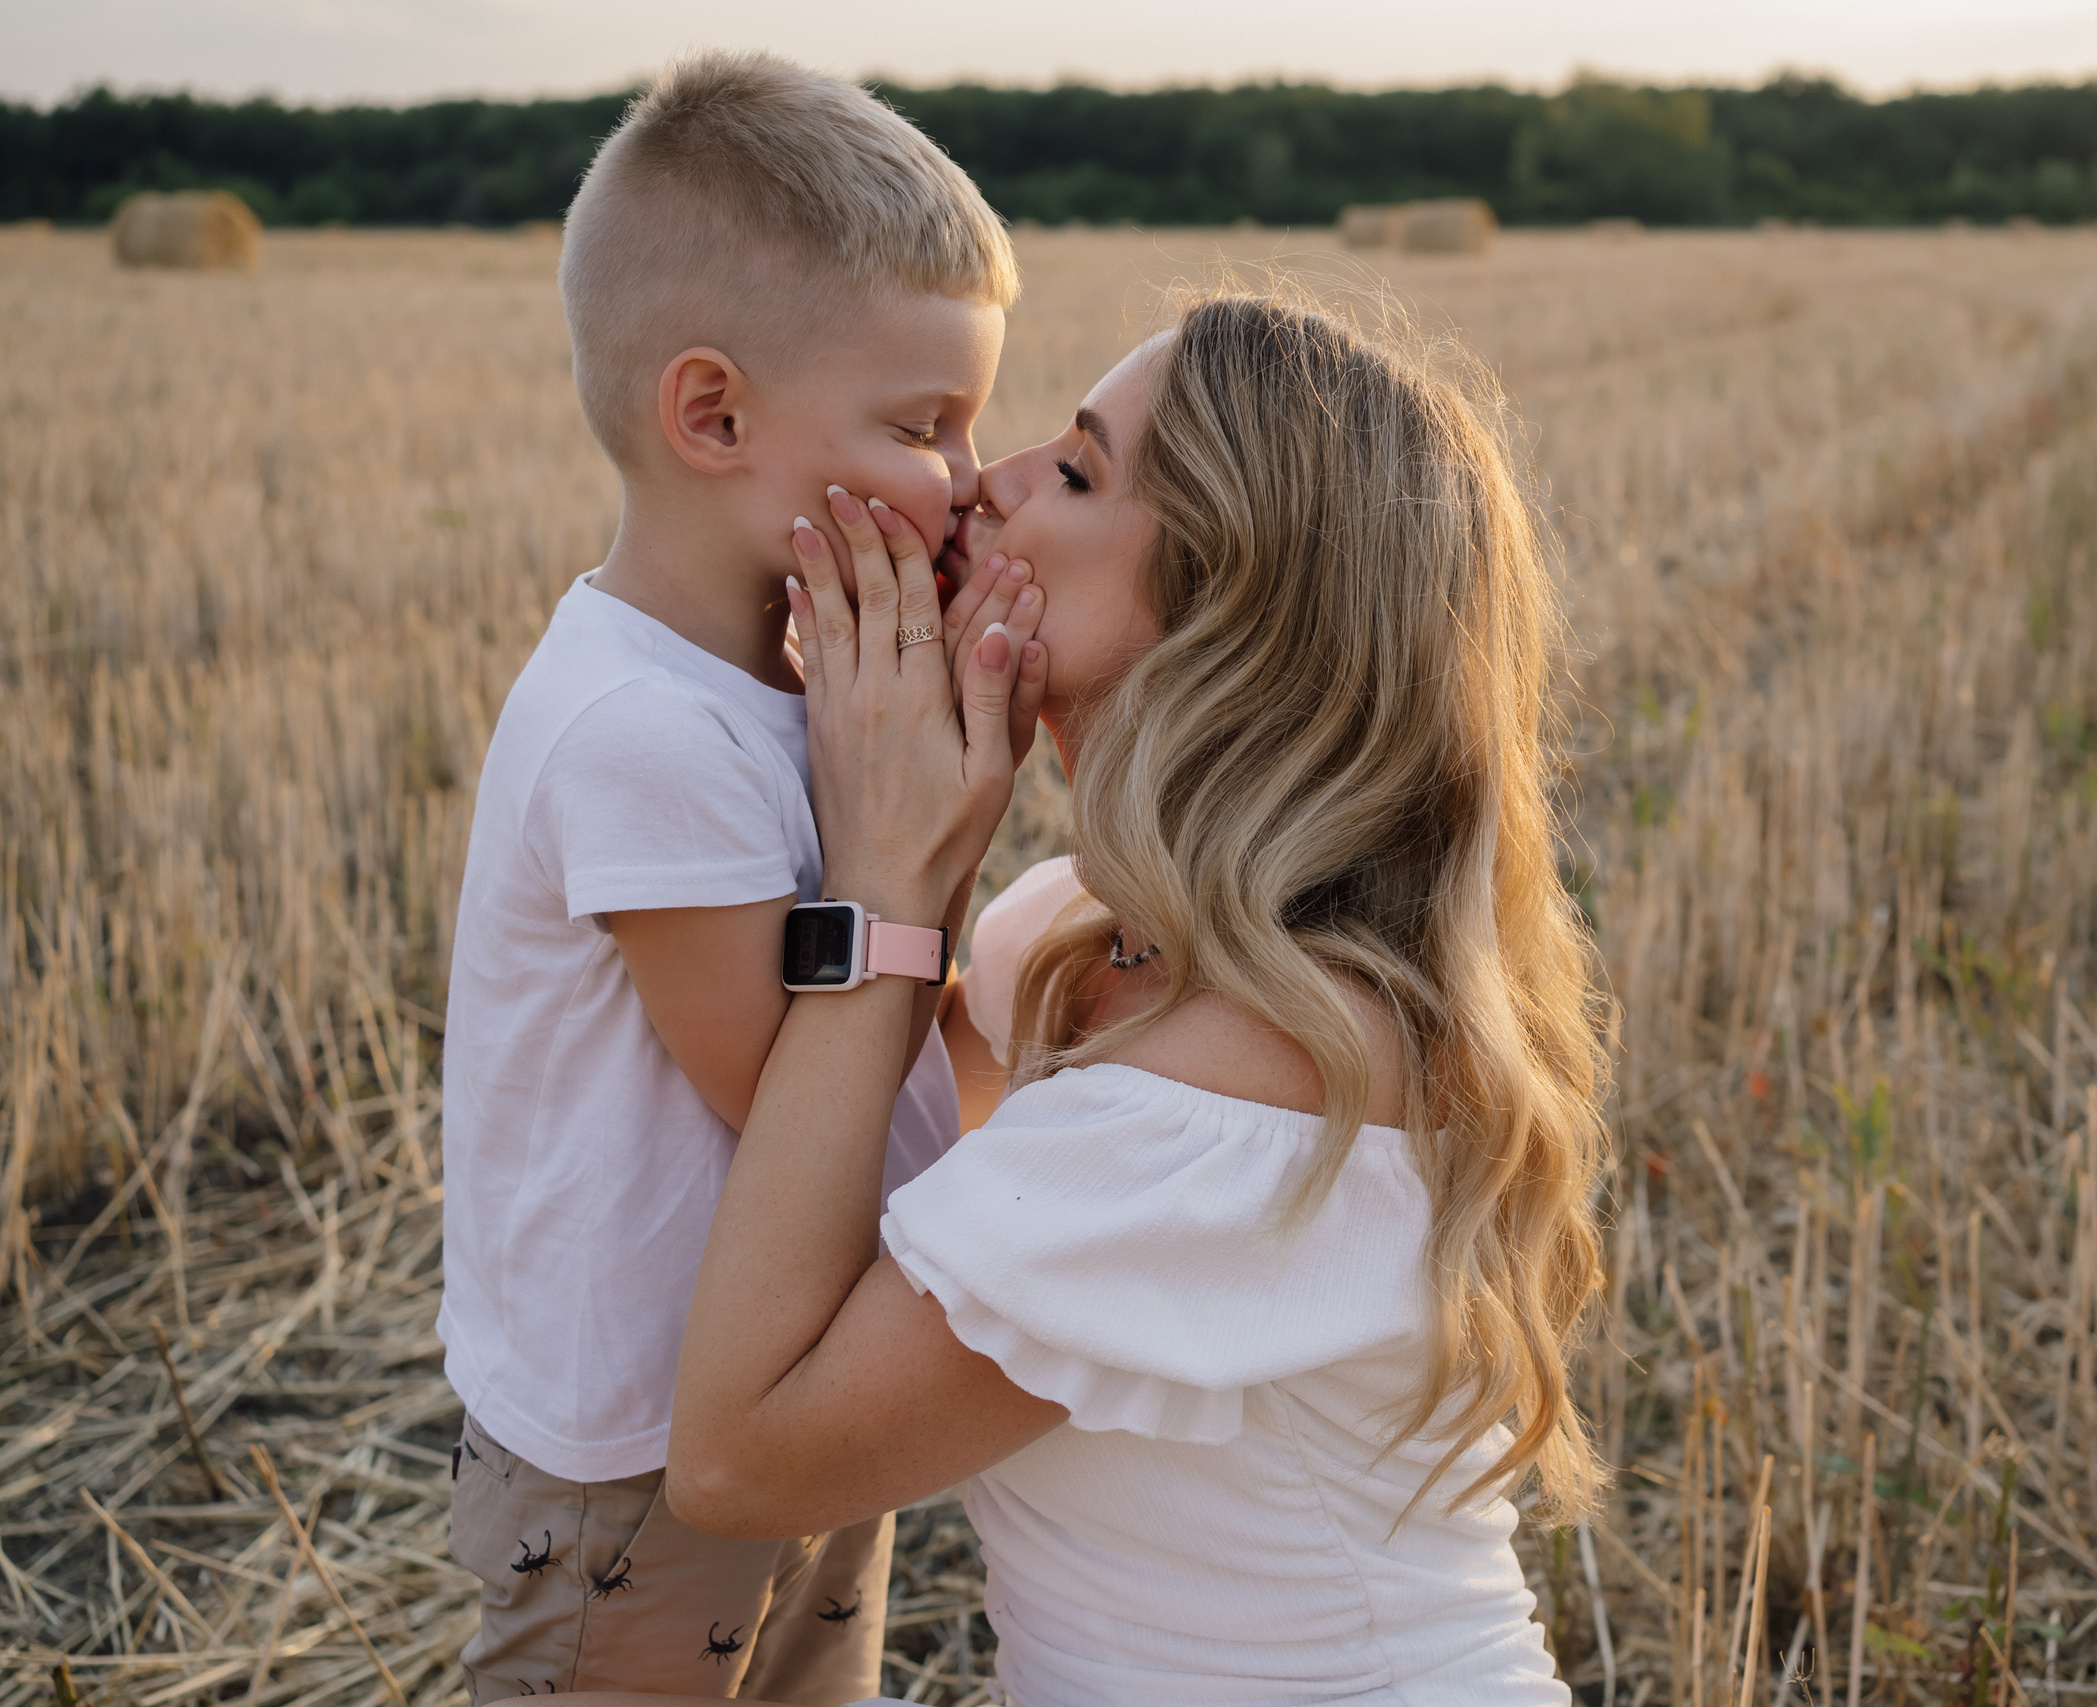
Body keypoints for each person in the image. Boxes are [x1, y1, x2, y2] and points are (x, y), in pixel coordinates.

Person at [642, 291, 1613, 1705]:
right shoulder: (1085, 943)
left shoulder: (1244, 1090)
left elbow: (743, 1458)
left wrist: (893, 893)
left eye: (1081, 471)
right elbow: (855, 1158)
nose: (990, 482)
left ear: (1228, 615)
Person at [435, 51, 1045, 1704]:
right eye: (926, 424)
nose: (975, 476)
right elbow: (805, 1107)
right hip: (630, 1468)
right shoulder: (647, 734)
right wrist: (912, 840)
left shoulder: (779, 694)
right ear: (713, 416)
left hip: (783, 1398)